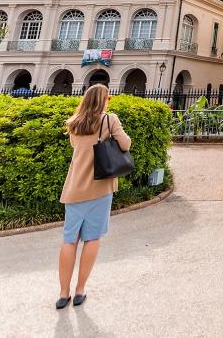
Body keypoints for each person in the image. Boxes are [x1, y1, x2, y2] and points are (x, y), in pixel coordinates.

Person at [57, 83, 132, 309]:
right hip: (99, 188)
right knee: (92, 239)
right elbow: (126, 144)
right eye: (108, 98)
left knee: (70, 240)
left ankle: (63, 293)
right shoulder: (110, 120)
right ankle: (80, 290)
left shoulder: (74, 123)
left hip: (74, 189)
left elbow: (77, 149)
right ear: (104, 100)